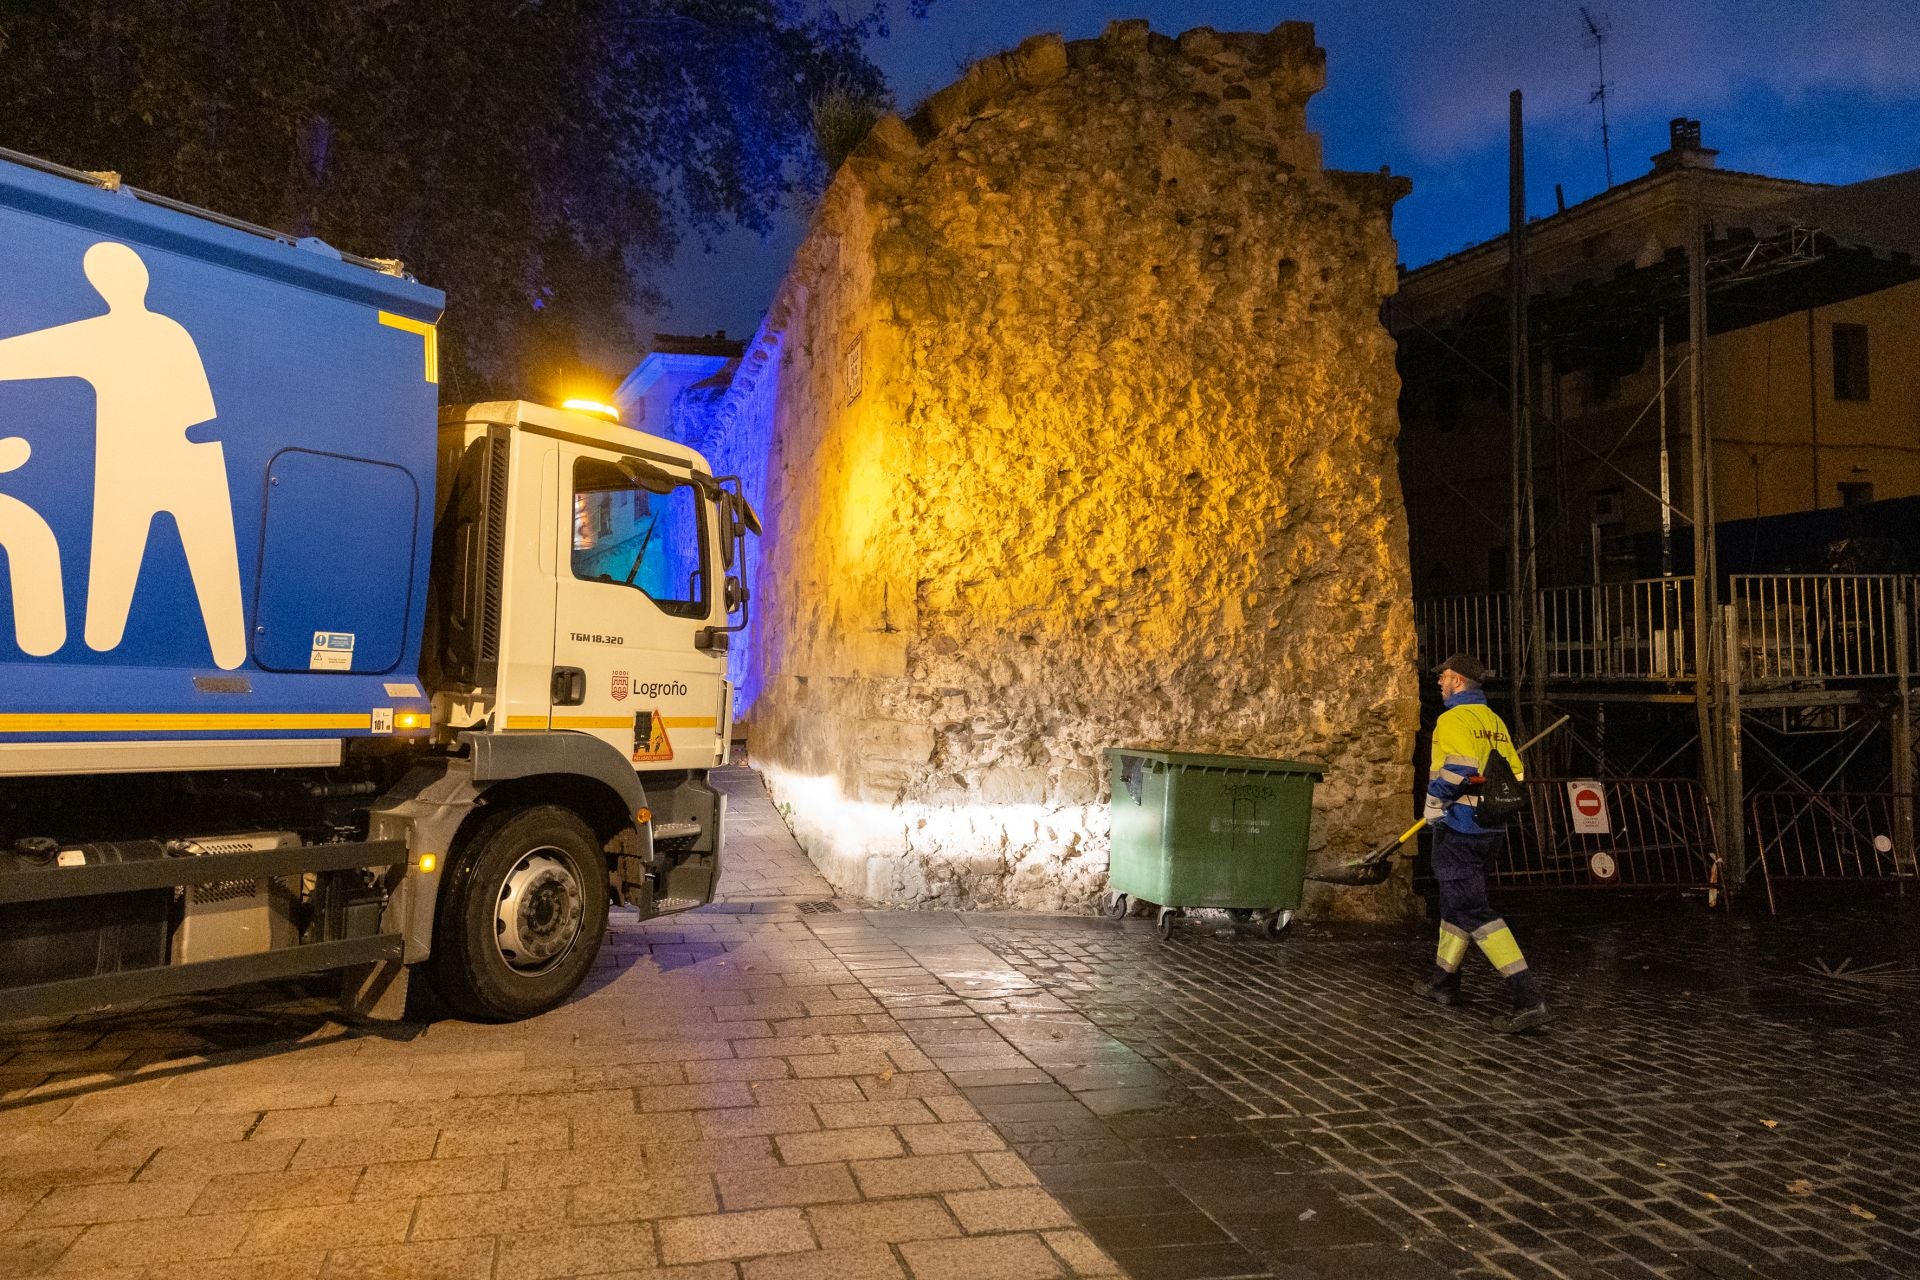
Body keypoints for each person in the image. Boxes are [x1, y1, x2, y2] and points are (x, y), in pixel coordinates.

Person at [1416, 653, 1549, 1033]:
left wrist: (1433, 804)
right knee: (1454, 904)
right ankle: (1444, 983)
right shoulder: (1493, 722)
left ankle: (1529, 998)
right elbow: (1516, 775)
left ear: (1457, 681)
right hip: (1490, 829)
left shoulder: (1452, 719)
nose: (1439, 682)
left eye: (1443, 677)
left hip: (1459, 828)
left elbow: (1456, 771)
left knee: (1473, 909)